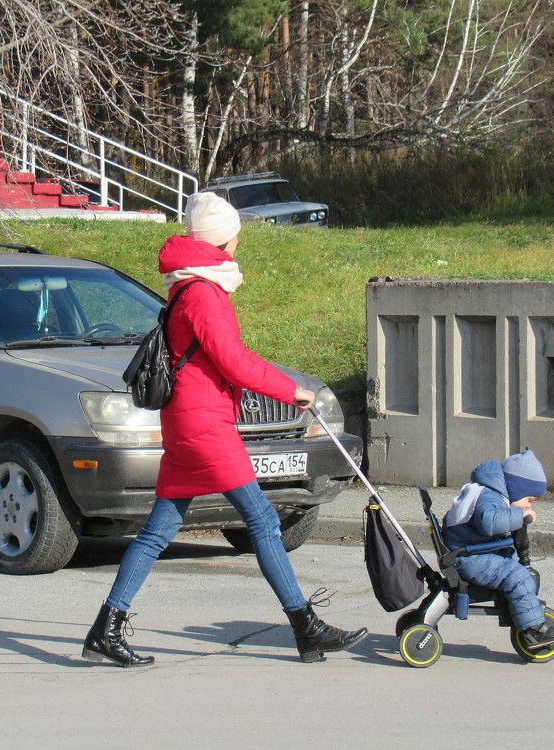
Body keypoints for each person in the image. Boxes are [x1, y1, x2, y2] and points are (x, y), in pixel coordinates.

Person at [82, 191, 367, 667]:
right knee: (263, 521)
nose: (239, 243)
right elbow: (233, 361)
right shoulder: (204, 294)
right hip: (205, 426)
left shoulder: (186, 288)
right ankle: (305, 627)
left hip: (187, 422)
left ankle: (105, 628)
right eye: (236, 235)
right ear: (223, 242)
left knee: (158, 531)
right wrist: (290, 389)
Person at [441, 448, 554, 649]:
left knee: (510, 561)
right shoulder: (489, 497)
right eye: (529, 500)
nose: (530, 506)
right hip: (467, 558)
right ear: (516, 489)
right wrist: (521, 516)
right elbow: (489, 522)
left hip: (470, 550)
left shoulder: (490, 490)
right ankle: (533, 631)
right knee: (517, 575)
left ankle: (521, 610)